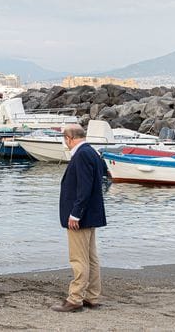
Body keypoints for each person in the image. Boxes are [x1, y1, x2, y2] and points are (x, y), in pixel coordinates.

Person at [51, 123, 107, 313]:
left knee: (78, 258)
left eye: (64, 139)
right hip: (91, 213)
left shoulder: (81, 154)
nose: (65, 143)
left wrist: (75, 213)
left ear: (68, 138)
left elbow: (84, 187)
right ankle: (92, 296)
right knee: (91, 257)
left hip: (81, 216)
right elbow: (103, 174)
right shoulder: (92, 151)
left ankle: (75, 298)